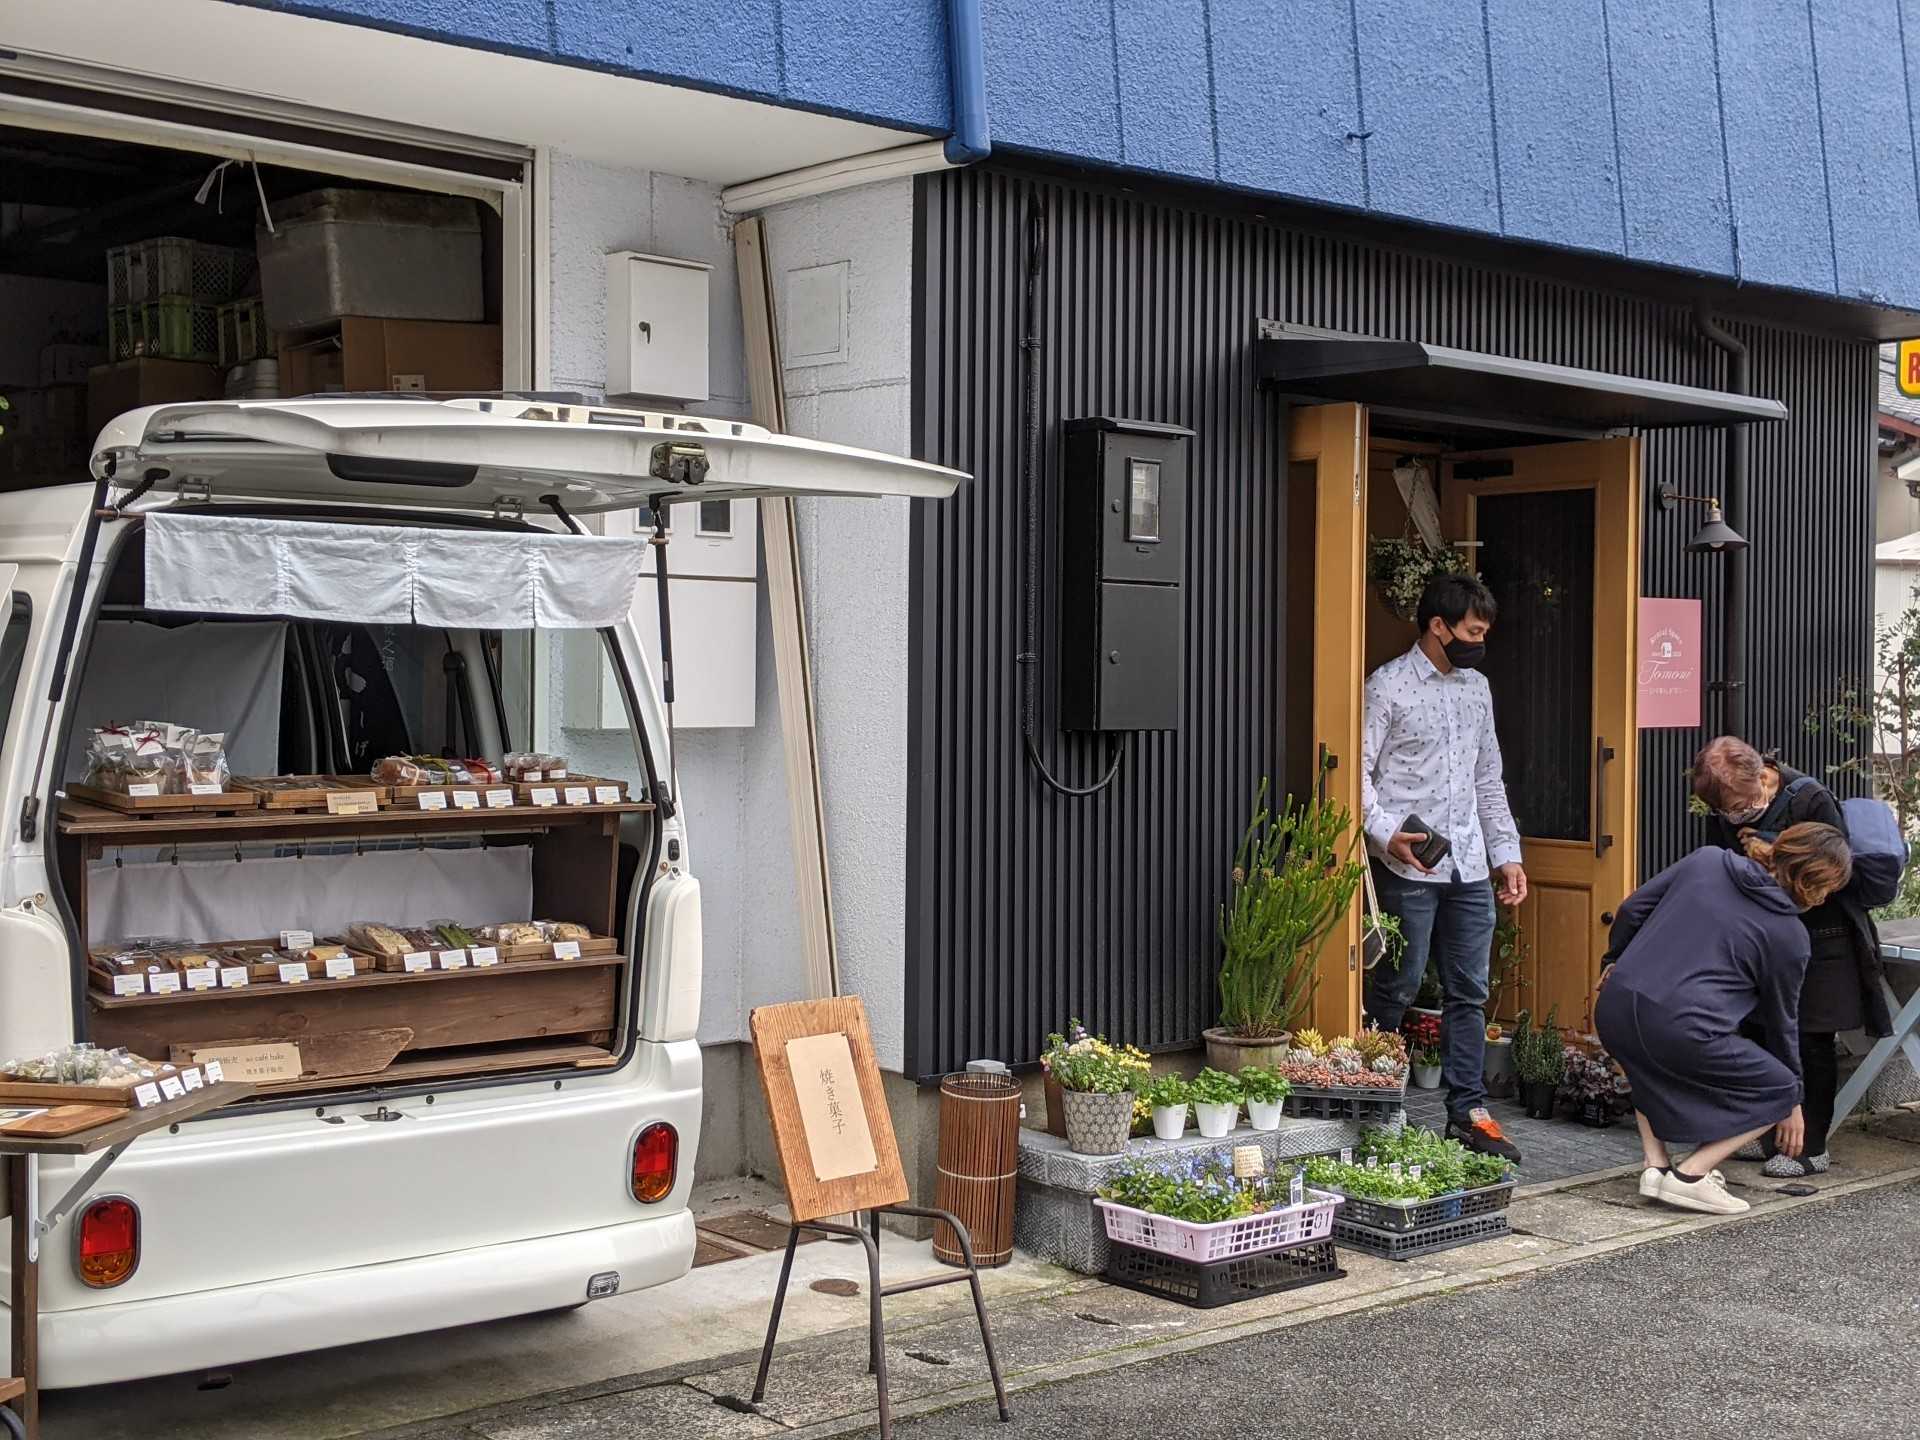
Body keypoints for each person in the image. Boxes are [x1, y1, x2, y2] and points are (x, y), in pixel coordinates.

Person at [1597, 822, 1852, 1215]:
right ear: (1814, 886)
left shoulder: (1708, 861)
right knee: (1778, 1087)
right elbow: (1782, 1022)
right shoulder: (1789, 935)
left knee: (1643, 1060)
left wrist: (1613, 959)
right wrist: (1792, 1098)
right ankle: (1691, 1176)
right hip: (1681, 1026)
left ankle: (1655, 1165)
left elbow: (1632, 909)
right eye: (1828, 891)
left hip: (1614, 1005)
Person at [1362, 573, 1527, 1162]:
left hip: (1471, 865)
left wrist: (1506, 855)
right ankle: (1378, 1100)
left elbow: (1488, 779)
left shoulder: (1477, 688)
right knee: (1398, 985)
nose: (1480, 641)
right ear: (1439, 626)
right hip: (1409, 865)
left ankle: (1468, 1112)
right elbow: (1355, 777)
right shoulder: (1387, 686)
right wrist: (1387, 835)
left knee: (1469, 992)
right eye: (1473, 631)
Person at [1690, 736, 1892, 1178]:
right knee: (1757, 1032)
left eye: (1741, 806)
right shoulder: (1723, 807)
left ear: (1762, 775)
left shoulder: (1810, 797)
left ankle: (1810, 1146)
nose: (1734, 816)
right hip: (1761, 931)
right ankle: (1763, 1133)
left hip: (1823, 936)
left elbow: (1834, 871)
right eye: (1726, 812)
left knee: (1809, 1039)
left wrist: (1769, 848)